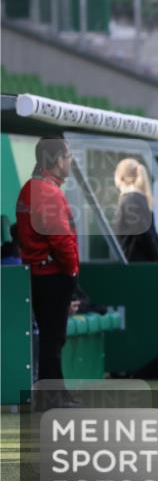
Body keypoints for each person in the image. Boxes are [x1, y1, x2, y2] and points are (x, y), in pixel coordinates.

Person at [16, 138, 80, 407]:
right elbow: (61, 239)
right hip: (52, 274)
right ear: (55, 160)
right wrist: (72, 270)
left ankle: (54, 392)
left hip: (41, 272)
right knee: (53, 338)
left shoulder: (32, 188)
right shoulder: (47, 192)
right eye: (68, 155)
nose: (71, 160)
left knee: (52, 338)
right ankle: (50, 396)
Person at [113, 157, 158, 262]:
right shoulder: (138, 199)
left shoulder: (130, 200)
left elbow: (144, 236)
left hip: (136, 264)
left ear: (120, 177)